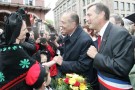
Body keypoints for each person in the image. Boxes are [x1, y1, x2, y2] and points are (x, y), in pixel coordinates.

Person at [86, 3, 134, 90]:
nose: (86, 19)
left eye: (89, 15)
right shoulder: (101, 34)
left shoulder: (119, 33)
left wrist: (96, 56)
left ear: (101, 14)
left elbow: (122, 67)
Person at [53, 12, 98, 89]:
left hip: (80, 83)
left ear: (73, 24)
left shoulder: (85, 40)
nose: (61, 25)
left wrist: (62, 63)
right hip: (71, 79)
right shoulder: (69, 35)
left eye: (63, 22)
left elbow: (83, 66)